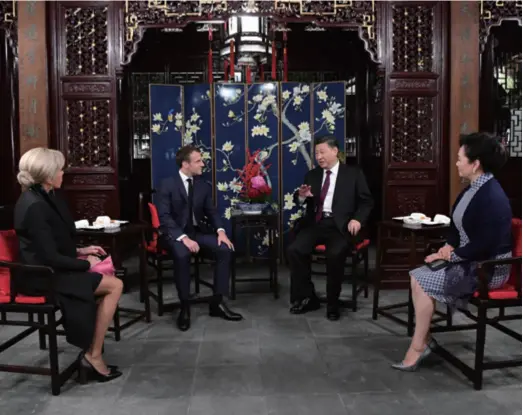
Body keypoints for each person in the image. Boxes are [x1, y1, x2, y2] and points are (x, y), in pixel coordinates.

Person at [393, 132, 513, 371]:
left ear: (475, 163)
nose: (457, 162)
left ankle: (418, 346)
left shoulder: (492, 196)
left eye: (460, 158)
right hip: (469, 258)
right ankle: (423, 341)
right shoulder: (471, 190)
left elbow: (485, 245)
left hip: (487, 267)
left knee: (421, 279)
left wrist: (450, 255)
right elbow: (456, 227)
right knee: (417, 276)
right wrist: (447, 246)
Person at [14, 147, 123, 382]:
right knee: (115, 285)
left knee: (106, 281)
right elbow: (49, 257)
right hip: (42, 276)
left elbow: (48, 245)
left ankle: (91, 349)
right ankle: (93, 355)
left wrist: (81, 251)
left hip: (50, 268)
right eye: (60, 169)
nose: (63, 173)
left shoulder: (42, 197)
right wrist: (85, 264)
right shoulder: (35, 206)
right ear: (47, 175)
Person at [286, 135, 374, 321]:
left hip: (340, 226)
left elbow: (367, 202)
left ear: (335, 151)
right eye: (316, 153)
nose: (319, 157)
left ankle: (333, 303)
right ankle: (308, 297)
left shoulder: (353, 174)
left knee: (335, 254)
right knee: (295, 250)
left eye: (322, 152)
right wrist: (302, 196)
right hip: (316, 224)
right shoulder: (313, 175)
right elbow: (300, 199)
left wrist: (357, 220)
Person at [157, 145, 243, 332]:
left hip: (197, 233)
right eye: (198, 161)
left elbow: (212, 212)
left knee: (225, 249)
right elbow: (164, 217)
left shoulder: (202, 185)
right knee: (182, 254)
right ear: (185, 164)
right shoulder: (167, 184)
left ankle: (217, 303)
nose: (203, 164)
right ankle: (184, 307)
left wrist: (220, 231)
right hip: (173, 235)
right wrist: (183, 238)